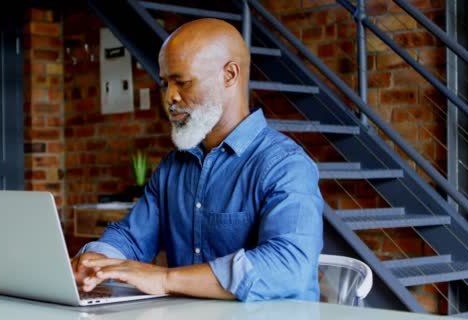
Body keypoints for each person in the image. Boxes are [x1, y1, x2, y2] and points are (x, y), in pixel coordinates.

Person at [71, 18, 324, 302]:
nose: (170, 97)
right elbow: (131, 238)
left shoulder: (285, 165)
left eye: (183, 82)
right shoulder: (173, 167)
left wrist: (165, 278)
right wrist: (95, 262)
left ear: (229, 75)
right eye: (165, 83)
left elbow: (288, 265)